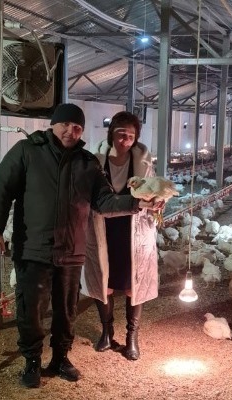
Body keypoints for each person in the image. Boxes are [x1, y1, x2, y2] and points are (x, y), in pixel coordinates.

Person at [0, 104, 160, 388]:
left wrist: (138, 203)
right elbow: (1, 188)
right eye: (65, 124)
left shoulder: (87, 163)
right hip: (34, 248)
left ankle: (61, 357)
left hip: (71, 250)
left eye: (77, 127)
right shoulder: (27, 151)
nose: (70, 131)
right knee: (32, 310)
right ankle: (32, 361)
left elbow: (104, 200)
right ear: (53, 124)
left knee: (66, 310)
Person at [81, 111, 159, 361]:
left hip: (133, 230)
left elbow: (153, 191)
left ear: (136, 138)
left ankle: (132, 336)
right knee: (103, 283)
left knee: (132, 284)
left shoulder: (144, 163)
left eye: (131, 136)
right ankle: (107, 331)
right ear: (111, 134)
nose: (125, 140)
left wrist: (158, 202)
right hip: (103, 227)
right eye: (121, 134)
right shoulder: (94, 161)